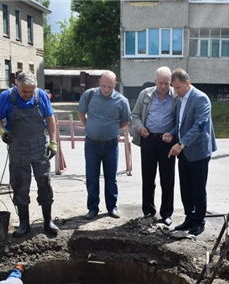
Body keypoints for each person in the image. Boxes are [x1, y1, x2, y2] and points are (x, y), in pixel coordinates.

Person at [0, 71, 60, 237]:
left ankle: (47, 221)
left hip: (39, 145)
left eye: (31, 91)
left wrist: (53, 142)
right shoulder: (6, 97)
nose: (28, 95)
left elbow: (51, 119)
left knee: (44, 182)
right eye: (24, 92)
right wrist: (2, 131)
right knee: (20, 185)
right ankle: (24, 224)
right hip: (17, 147)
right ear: (17, 86)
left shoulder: (41, 95)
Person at [168, 69, 217, 236]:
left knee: (198, 188)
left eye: (178, 88)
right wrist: (172, 133)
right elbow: (181, 123)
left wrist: (180, 144)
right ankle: (189, 217)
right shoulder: (180, 100)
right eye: (174, 88)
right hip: (184, 152)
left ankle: (199, 222)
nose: (176, 91)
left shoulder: (200, 99)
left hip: (199, 151)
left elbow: (199, 127)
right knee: (185, 187)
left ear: (187, 83)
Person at [77, 70, 131, 220]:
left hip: (111, 145)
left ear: (115, 85)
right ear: (99, 82)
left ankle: (112, 207)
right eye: (104, 86)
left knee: (111, 178)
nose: (107, 89)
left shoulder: (122, 101)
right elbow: (81, 112)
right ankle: (92, 208)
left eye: (110, 87)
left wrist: (110, 128)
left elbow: (126, 121)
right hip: (91, 144)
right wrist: (89, 126)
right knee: (92, 177)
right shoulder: (89, 95)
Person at [130, 67, 178, 226]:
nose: (164, 87)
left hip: (167, 142)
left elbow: (180, 121)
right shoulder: (146, 94)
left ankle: (166, 213)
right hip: (149, 139)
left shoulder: (176, 96)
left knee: (167, 179)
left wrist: (171, 133)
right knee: (148, 178)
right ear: (155, 81)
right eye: (160, 83)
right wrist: (140, 128)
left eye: (166, 83)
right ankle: (149, 212)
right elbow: (135, 115)